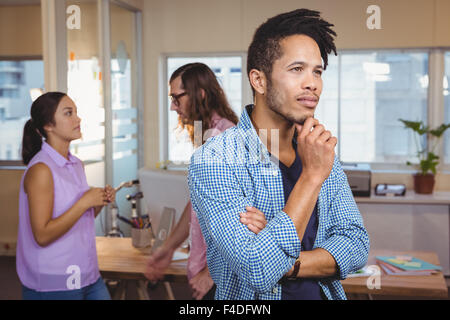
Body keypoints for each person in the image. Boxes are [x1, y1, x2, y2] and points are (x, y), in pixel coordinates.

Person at [188, 9, 370, 300]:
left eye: (317, 71)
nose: (312, 83)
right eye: (297, 69)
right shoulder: (216, 159)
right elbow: (258, 269)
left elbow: (357, 245)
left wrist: (286, 263)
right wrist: (311, 176)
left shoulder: (321, 150)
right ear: (259, 81)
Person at [144, 63, 265, 300]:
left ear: (199, 94)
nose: (172, 106)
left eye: (176, 98)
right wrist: (167, 248)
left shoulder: (225, 138)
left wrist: (210, 274)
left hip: (223, 277)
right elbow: (197, 205)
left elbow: (245, 215)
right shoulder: (208, 135)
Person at [16, 92, 114, 300]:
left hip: (86, 272)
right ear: (48, 125)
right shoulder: (41, 170)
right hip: (54, 280)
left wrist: (98, 202)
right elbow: (42, 235)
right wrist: (84, 202)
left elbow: (77, 219)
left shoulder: (76, 164)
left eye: (76, 112)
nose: (77, 119)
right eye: (68, 113)